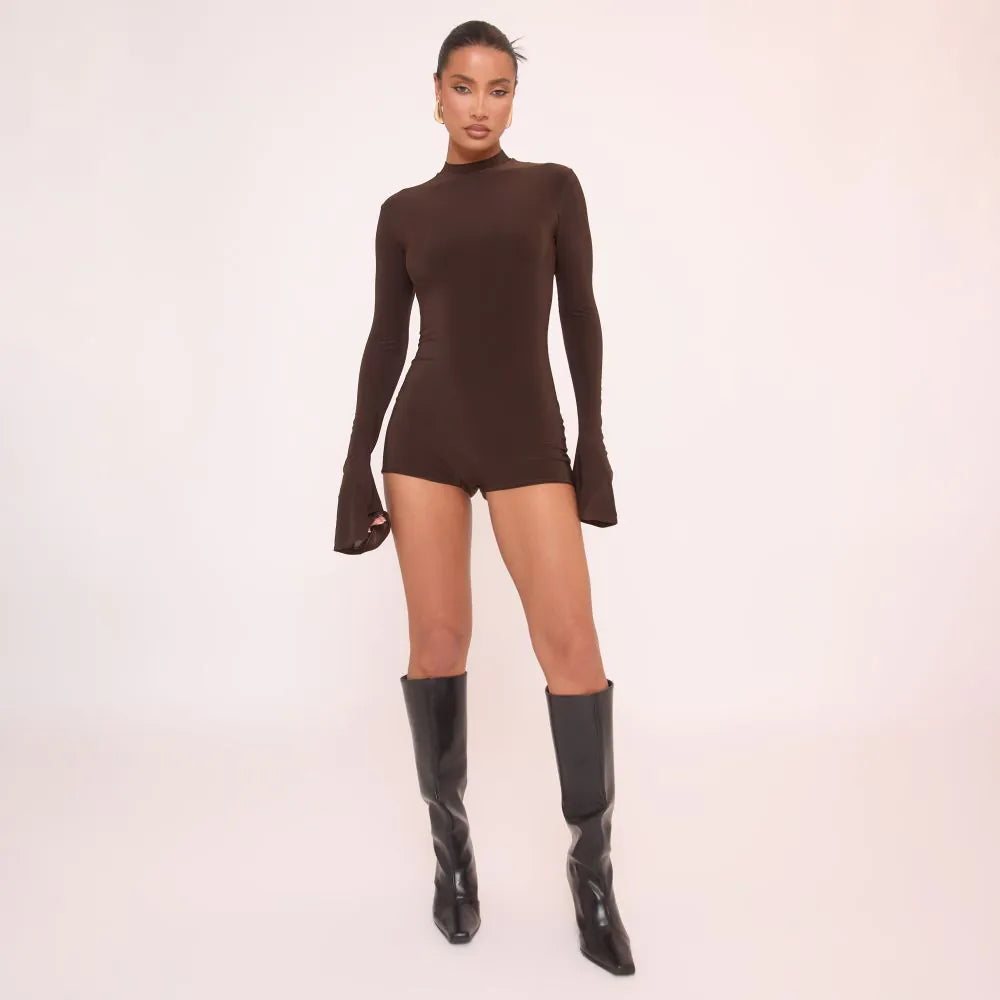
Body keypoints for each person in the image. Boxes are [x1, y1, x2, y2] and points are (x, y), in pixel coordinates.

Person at [333, 20, 635, 977]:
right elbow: (387, 341)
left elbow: (581, 318)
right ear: (436, 94)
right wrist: (354, 463)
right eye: (463, 87)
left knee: (572, 648)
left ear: (514, 99)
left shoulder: (551, 189)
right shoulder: (403, 211)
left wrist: (591, 446)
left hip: (524, 436)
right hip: (423, 438)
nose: (479, 106)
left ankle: (592, 873)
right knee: (438, 644)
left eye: (497, 89)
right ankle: (452, 854)